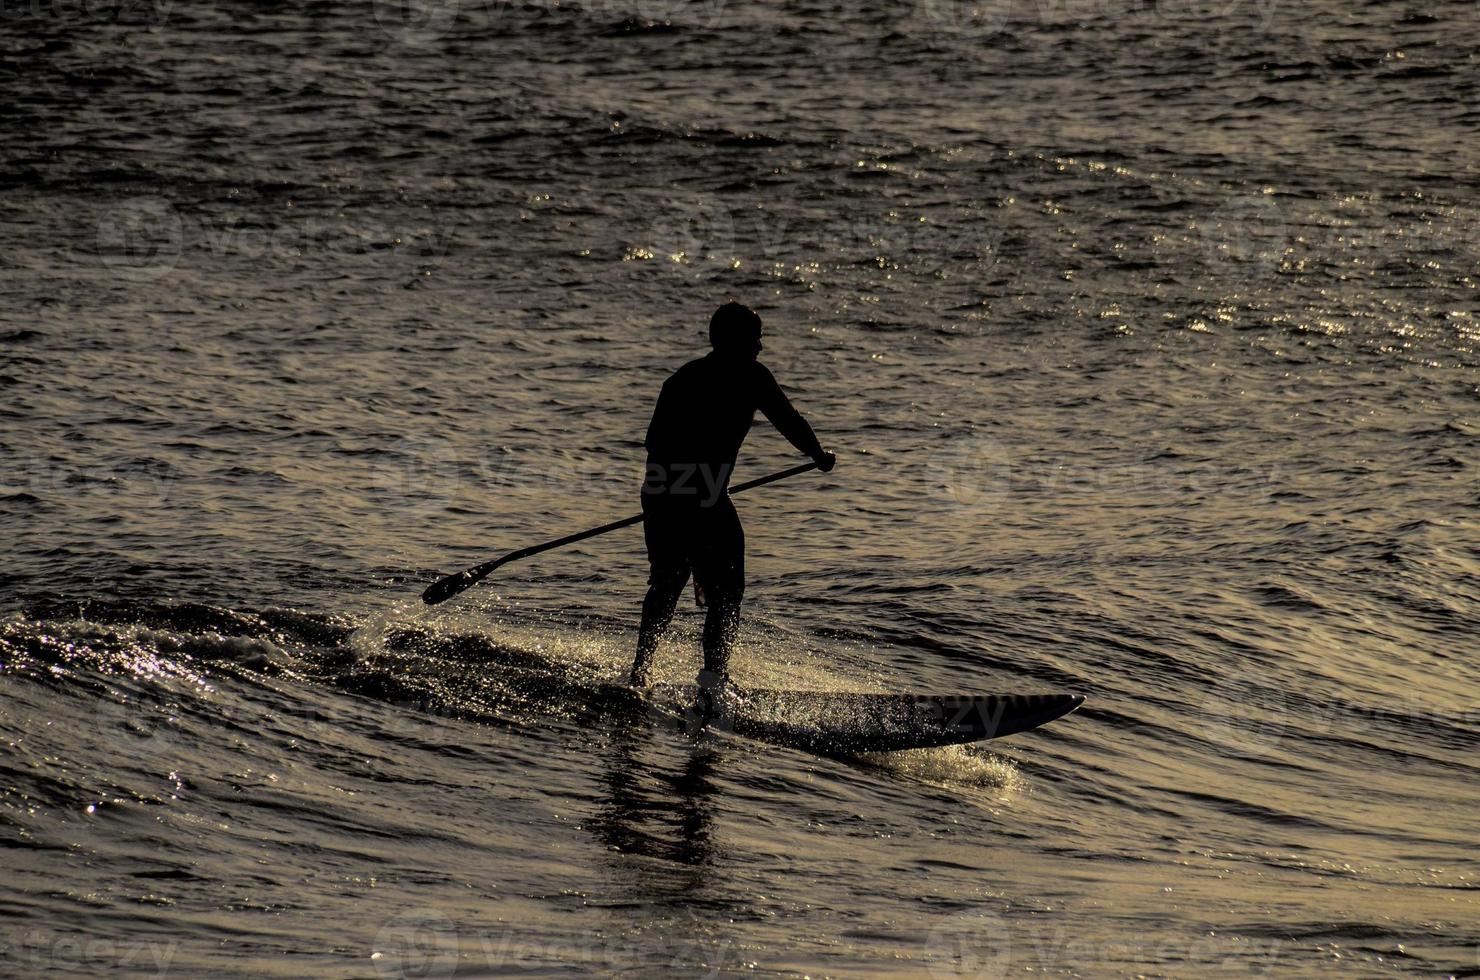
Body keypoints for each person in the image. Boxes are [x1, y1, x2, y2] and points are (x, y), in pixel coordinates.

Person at [629, 302, 836, 710]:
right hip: (691, 496)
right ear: (733, 341)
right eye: (754, 337)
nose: (760, 346)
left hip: (664, 493)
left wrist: (664, 500)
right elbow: (788, 420)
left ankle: (642, 671)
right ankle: (711, 682)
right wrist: (818, 454)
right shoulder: (749, 376)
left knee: (668, 582)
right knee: (724, 590)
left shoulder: (682, 378)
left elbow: (655, 446)